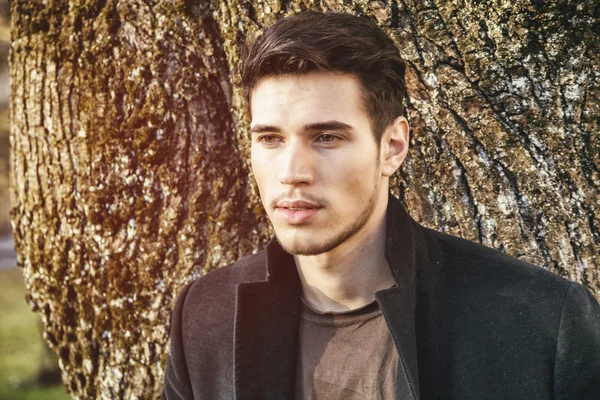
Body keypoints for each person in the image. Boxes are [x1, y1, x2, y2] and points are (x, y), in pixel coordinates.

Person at [161, 11, 600, 400]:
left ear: (392, 146)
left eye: (327, 137)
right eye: (270, 139)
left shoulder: (542, 323)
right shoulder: (205, 316)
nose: (292, 171)